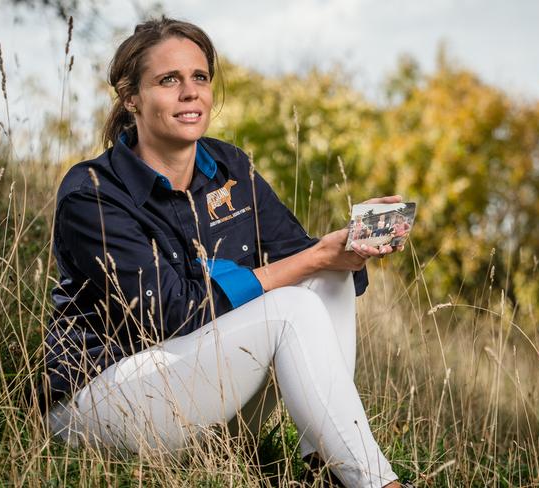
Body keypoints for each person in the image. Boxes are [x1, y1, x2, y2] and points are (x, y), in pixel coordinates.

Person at [40, 17, 411, 488]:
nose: (190, 92)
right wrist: (313, 258)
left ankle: (329, 464)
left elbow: (312, 262)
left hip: (202, 392)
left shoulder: (230, 166)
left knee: (326, 279)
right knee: (293, 300)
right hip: (104, 400)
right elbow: (170, 315)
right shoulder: (91, 192)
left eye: (200, 77)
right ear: (130, 97)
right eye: (168, 80)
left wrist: (350, 247)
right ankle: (377, 483)